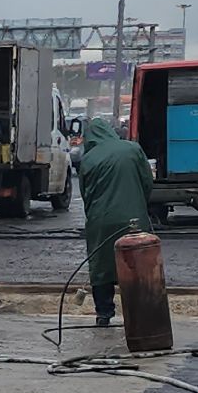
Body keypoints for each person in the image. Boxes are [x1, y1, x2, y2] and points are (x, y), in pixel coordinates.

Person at [77, 116, 154, 326]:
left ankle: (104, 314)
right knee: (137, 264)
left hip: (100, 222)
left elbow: (86, 193)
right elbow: (147, 182)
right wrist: (139, 205)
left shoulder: (88, 159)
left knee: (101, 266)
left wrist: (94, 217)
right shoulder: (133, 149)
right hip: (134, 219)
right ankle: (139, 313)